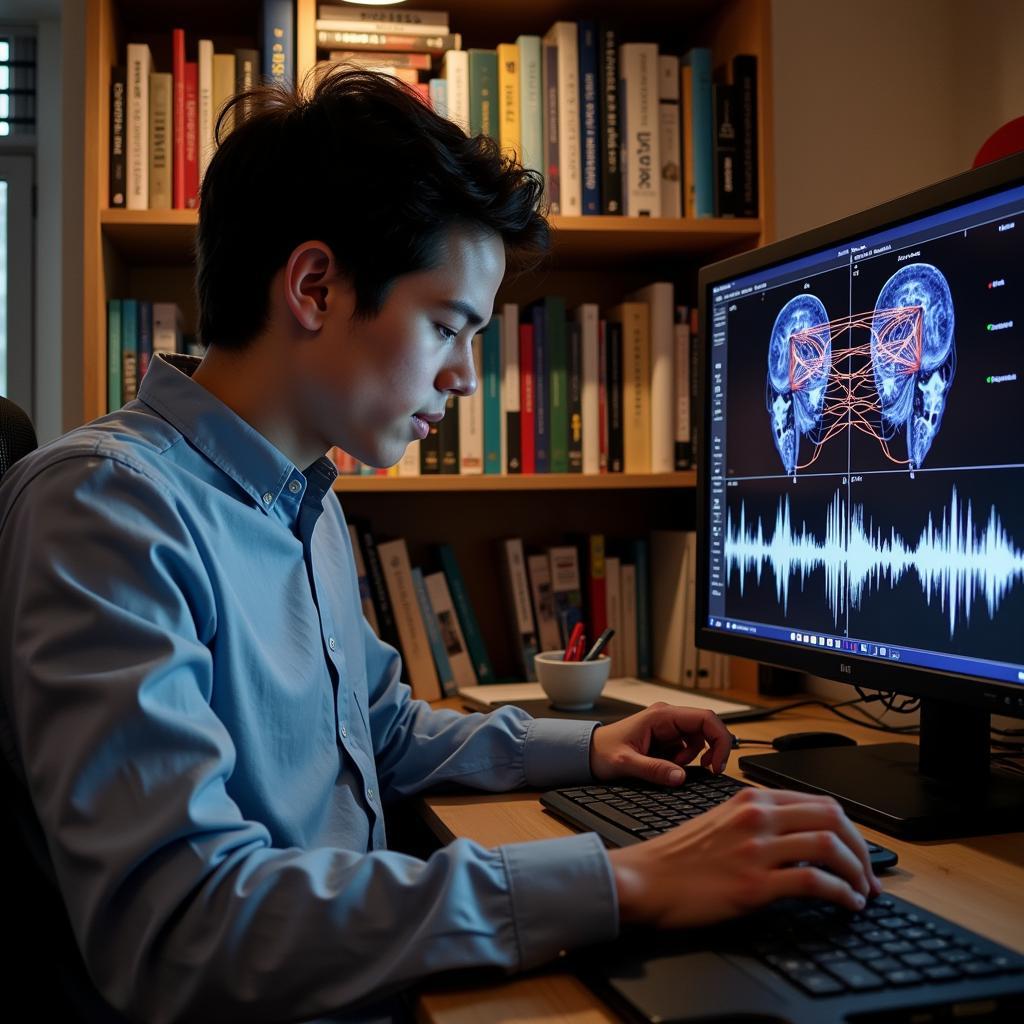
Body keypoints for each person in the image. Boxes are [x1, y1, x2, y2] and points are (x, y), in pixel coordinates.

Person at [0, 68, 879, 1023]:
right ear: (314, 286)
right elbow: (182, 928)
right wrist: (621, 882)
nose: (467, 376)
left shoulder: (304, 498)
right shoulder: (108, 508)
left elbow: (379, 732)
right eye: (447, 326)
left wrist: (589, 747)